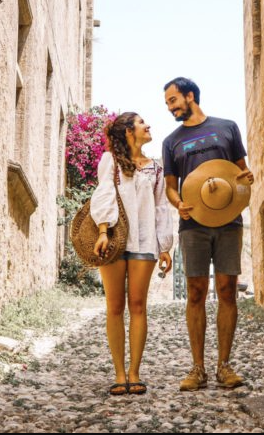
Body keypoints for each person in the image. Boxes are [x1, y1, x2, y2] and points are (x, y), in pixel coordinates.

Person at [161, 77, 255, 391]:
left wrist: (248, 177)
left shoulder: (227, 128)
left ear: (190, 96)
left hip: (229, 221)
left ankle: (224, 366)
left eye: (173, 100)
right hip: (193, 225)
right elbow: (170, 187)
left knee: (227, 290)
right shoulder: (171, 142)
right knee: (195, 292)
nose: (170, 108)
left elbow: (241, 172)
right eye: (168, 103)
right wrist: (178, 204)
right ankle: (197, 368)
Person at [90, 112, 173, 395]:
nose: (148, 125)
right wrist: (103, 231)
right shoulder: (110, 161)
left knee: (138, 306)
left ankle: (135, 372)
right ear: (128, 131)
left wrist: (164, 246)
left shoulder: (156, 170)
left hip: (145, 242)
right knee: (114, 306)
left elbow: (161, 207)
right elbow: (104, 194)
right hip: (114, 241)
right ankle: (119, 373)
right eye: (140, 122)